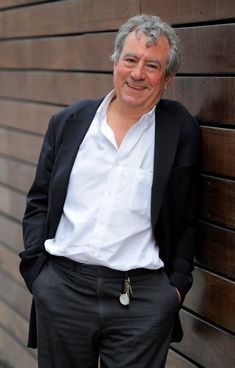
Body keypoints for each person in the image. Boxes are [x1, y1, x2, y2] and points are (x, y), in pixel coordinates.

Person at [20, 14, 200, 368]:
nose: (138, 73)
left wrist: (175, 289)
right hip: (63, 290)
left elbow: (188, 215)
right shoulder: (68, 123)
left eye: (152, 65)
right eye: (130, 60)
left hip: (143, 299)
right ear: (115, 62)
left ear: (167, 79)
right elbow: (38, 202)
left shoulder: (180, 130)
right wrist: (38, 275)